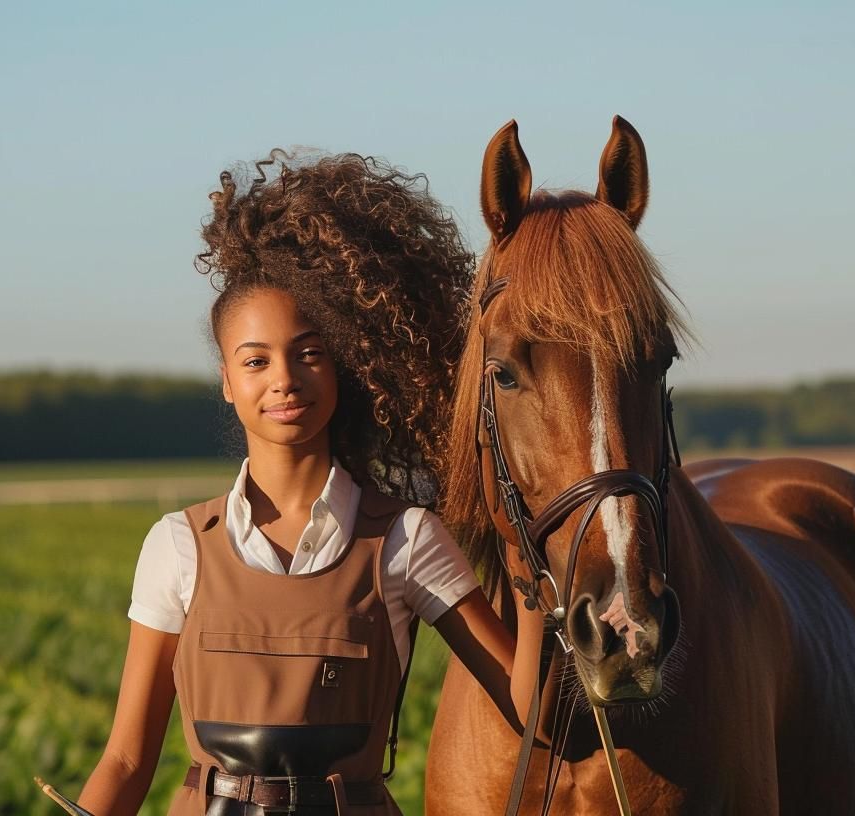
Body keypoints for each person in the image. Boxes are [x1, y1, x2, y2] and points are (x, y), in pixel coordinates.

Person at [77, 152, 534, 815]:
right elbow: (125, 758)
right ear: (228, 384)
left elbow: (528, 711)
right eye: (256, 361)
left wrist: (527, 567)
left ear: (344, 367)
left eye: (310, 353)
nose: (285, 379)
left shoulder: (407, 539)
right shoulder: (177, 545)